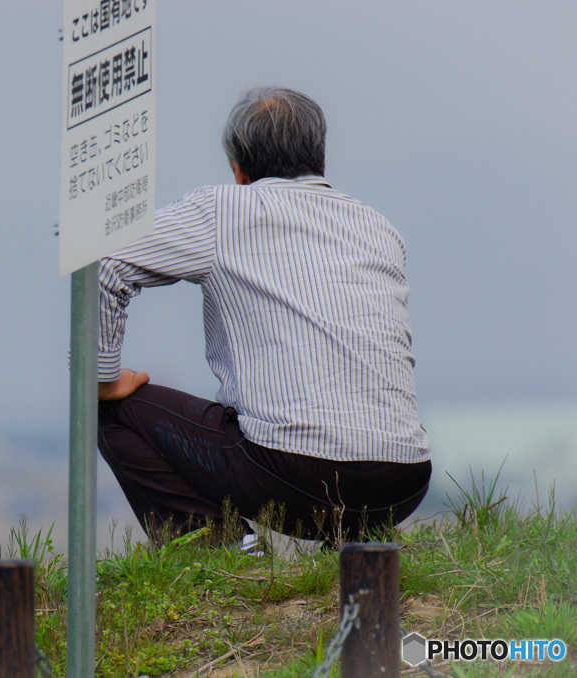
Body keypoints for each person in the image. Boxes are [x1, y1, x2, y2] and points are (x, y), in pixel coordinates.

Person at [96, 87, 431, 547]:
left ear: (238, 168)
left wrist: (102, 376)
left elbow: (108, 265)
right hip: (403, 481)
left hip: (293, 477)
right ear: (322, 161)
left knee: (107, 408)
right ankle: (353, 547)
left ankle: (225, 552)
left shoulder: (222, 210)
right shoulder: (377, 226)